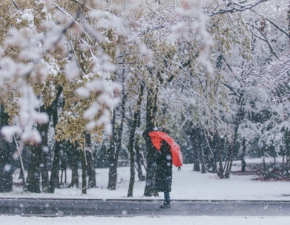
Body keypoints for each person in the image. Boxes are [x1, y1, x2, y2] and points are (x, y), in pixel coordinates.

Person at [155, 140, 173, 209]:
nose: (160, 144)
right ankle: (166, 202)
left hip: (164, 173)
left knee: (166, 188)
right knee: (166, 188)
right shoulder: (168, 152)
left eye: (161, 143)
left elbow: (158, 161)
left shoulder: (164, 153)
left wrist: (158, 155)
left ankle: (167, 202)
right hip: (167, 173)